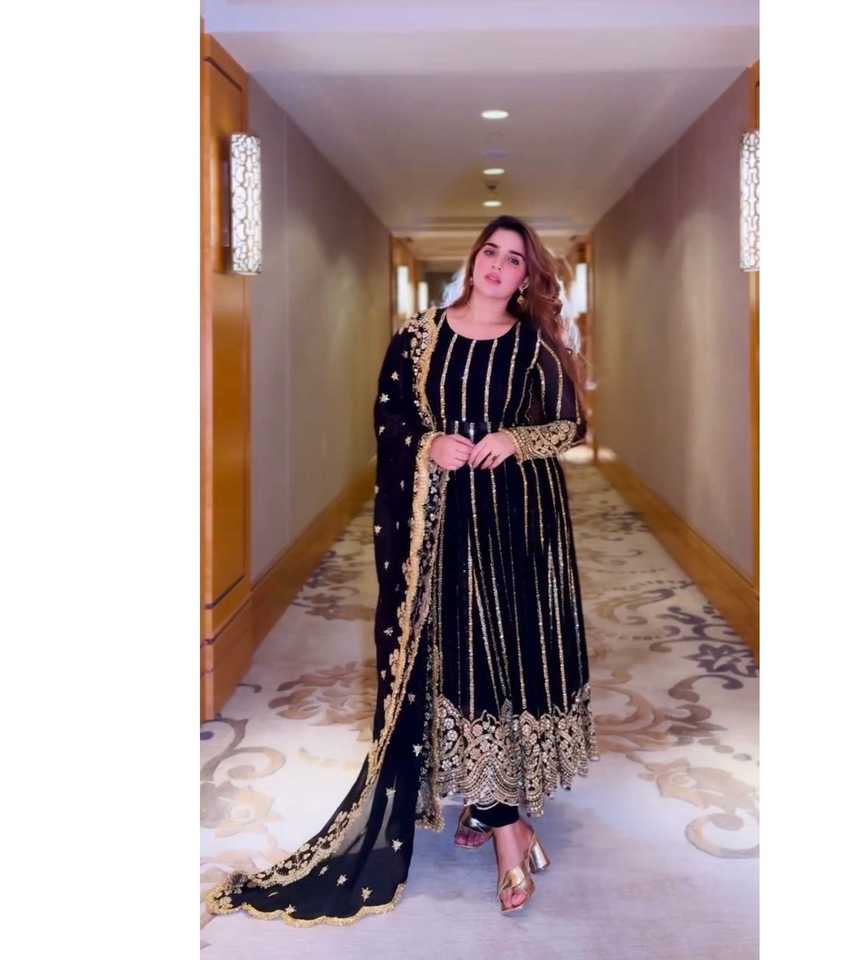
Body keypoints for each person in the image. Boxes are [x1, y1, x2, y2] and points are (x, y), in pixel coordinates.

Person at [204, 215, 599, 925]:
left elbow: (571, 424)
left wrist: (517, 439)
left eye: (514, 259)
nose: (498, 265)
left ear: (526, 277)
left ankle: (495, 809)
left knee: (508, 660)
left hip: (518, 522)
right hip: (438, 525)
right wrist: (429, 445)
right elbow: (389, 421)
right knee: (458, 658)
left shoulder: (535, 344)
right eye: (491, 251)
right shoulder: (419, 338)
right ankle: (506, 826)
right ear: (474, 260)